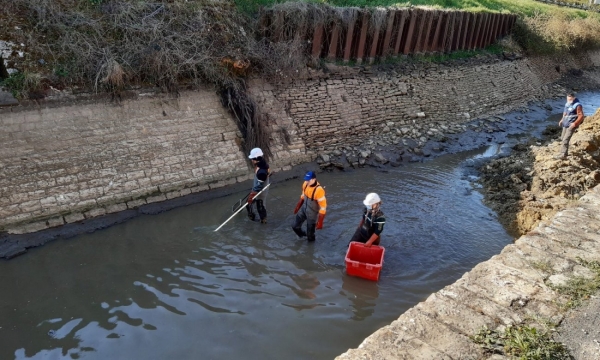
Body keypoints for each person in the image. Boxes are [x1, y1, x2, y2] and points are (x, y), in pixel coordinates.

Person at [292, 171, 326, 242]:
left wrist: (320, 222)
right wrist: (297, 207)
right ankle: (302, 236)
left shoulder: (319, 190)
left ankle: (310, 245)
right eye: (306, 180)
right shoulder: (305, 184)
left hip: (312, 214)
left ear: (314, 179)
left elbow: (323, 207)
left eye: (308, 180)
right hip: (304, 209)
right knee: (295, 226)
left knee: (310, 237)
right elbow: (303, 196)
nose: (307, 181)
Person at [555, 93, 584, 159]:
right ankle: (565, 152)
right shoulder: (567, 104)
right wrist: (561, 120)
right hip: (566, 123)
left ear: (574, 98)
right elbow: (565, 113)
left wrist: (575, 123)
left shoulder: (577, 105)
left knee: (566, 139)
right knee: (562, 138)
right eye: (567, 99)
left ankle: (563, 154)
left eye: (570, 99)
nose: (569, 100)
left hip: (572, 124)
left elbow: (581, 116)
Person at [247, 147, 270, 224]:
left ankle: (263, 221)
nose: (252, 160)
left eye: (253, 158)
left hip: (261, 191)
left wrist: (252, 194)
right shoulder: (262, 164)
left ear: (257, 158)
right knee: (249, 204)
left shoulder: (262, 172)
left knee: (260, 205)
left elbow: (259, 186)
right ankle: (252, 216)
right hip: (257, 186)